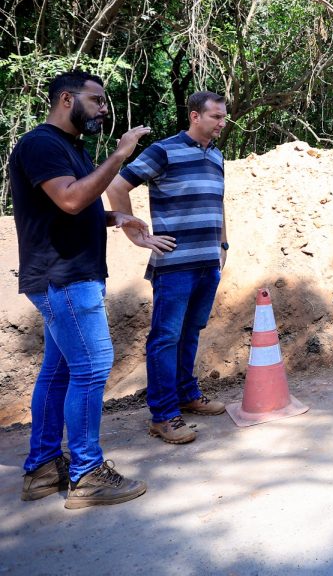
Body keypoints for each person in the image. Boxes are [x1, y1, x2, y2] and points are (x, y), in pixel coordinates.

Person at [11, 71, 152, 509]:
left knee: (59, 370)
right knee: (92, 365)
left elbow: (67, 209)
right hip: (64, 277)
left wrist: (114, 219)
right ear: (66, 99)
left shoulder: (70, 149)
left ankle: (42, 468)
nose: (104, 109)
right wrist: (121, 155)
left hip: (70, 274)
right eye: (97, 100)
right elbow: (71, 199)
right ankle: (88, 473)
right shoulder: (42, 145)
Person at [106, 91, 229, 445]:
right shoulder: (164, 150)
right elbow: (117, 183)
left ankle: (187, 394)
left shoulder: (217, 156)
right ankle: (163, 415)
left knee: (191, 332)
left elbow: (218, 204)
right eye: (216, 117)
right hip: (175, 265)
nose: (222, 123)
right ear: (195, 116)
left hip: (208, 261)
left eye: (223, 117)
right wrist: (136, 234)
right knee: (165, 338)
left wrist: (223, 245)